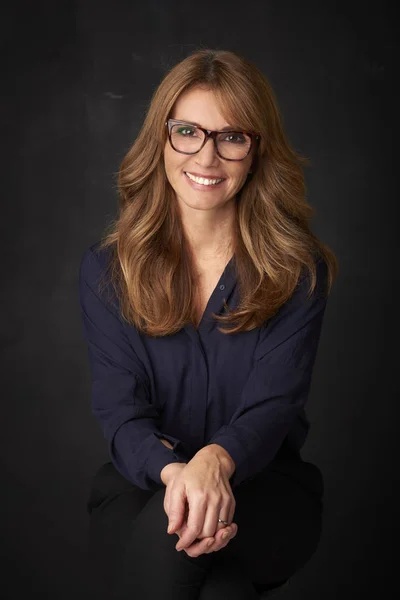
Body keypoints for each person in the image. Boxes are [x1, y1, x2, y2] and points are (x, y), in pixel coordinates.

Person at [78, 48, 339, 600]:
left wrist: (216, 462)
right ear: (162, 139)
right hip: (143, 487)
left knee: (171, 537)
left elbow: (272, 407)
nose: (207, 156)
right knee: (219, 587)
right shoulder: (108, 271)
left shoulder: (295, 270)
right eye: (188, 131)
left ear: (256, 151)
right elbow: (121, 414)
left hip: (266, 495)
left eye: (232, 137)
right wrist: (178, 474)